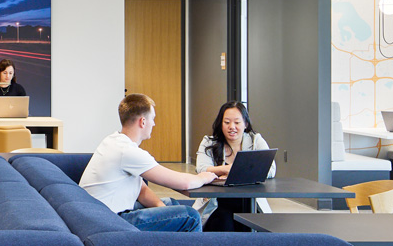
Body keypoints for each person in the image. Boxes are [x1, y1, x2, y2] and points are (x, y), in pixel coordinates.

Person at [79, 93, 215, 232]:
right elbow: (184, 183)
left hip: (98, 215)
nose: (154, 123)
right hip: (111, 222)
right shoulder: (128, 151)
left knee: (171, 204)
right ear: (143, 122)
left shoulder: (113, 140)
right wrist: (205, 176)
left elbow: (141, 189)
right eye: (153, 118)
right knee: (190, 217)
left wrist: (166, 211)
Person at [194, 102, 275, 231]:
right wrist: (225, 169)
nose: (232, 127)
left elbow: (270, 168)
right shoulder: (209, 142)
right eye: (227, 122)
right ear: (221, 124)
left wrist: (233, 172)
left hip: (249, 202)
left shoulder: (256, 140)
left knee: (252, 227)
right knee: (223, 224)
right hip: (218, 204)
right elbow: (202, 168)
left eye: (237, 123)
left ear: (245, 124)